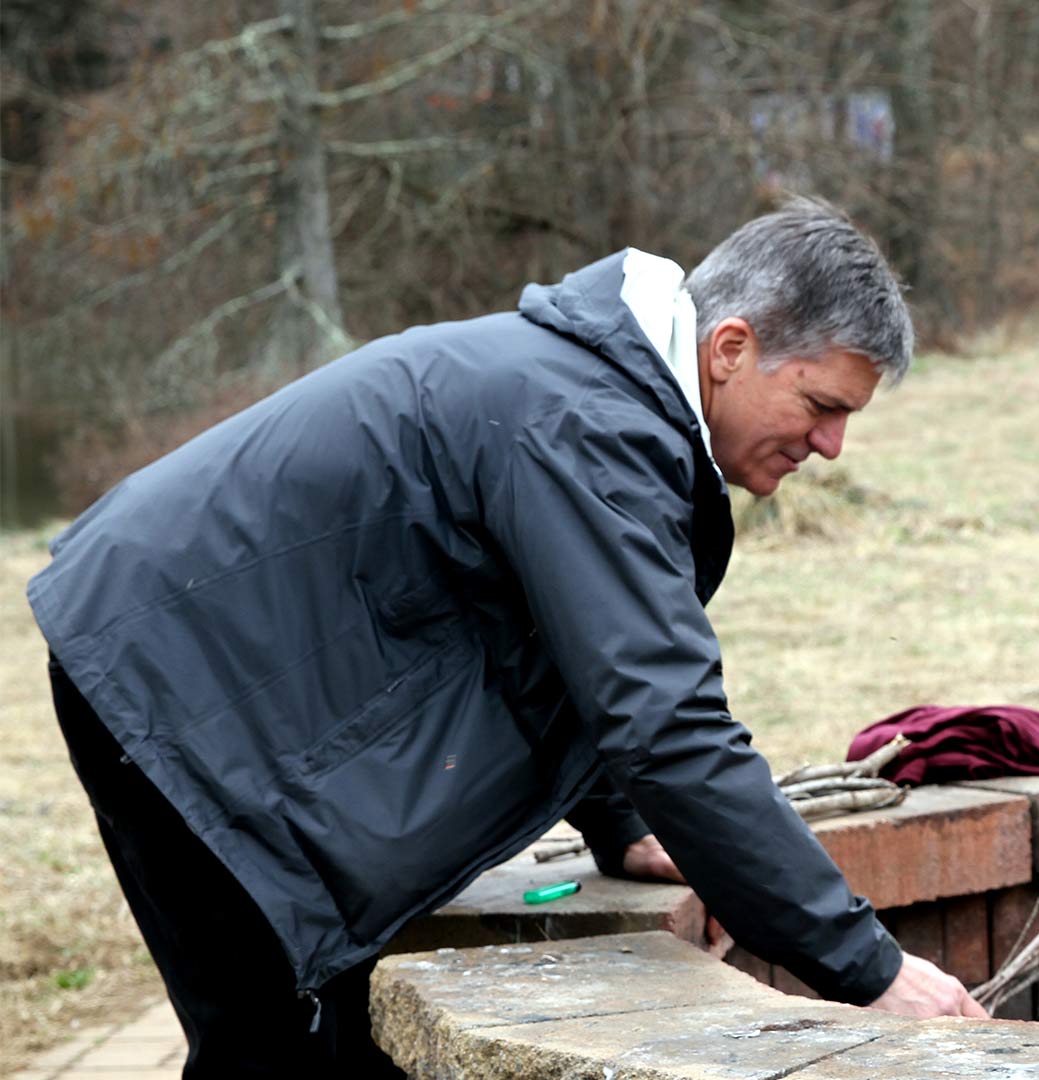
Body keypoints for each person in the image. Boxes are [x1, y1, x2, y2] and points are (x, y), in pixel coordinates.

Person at [29, 198, 986, 1077]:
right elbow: (667, 722)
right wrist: (868, 969)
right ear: (730, 348)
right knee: (279, 1040)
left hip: (172, 661)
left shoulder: (598, 397)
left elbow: (567, 642)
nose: (831, 448)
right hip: (175, 681)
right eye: (822, 407)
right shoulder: (590, 423)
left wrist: (619, 819)